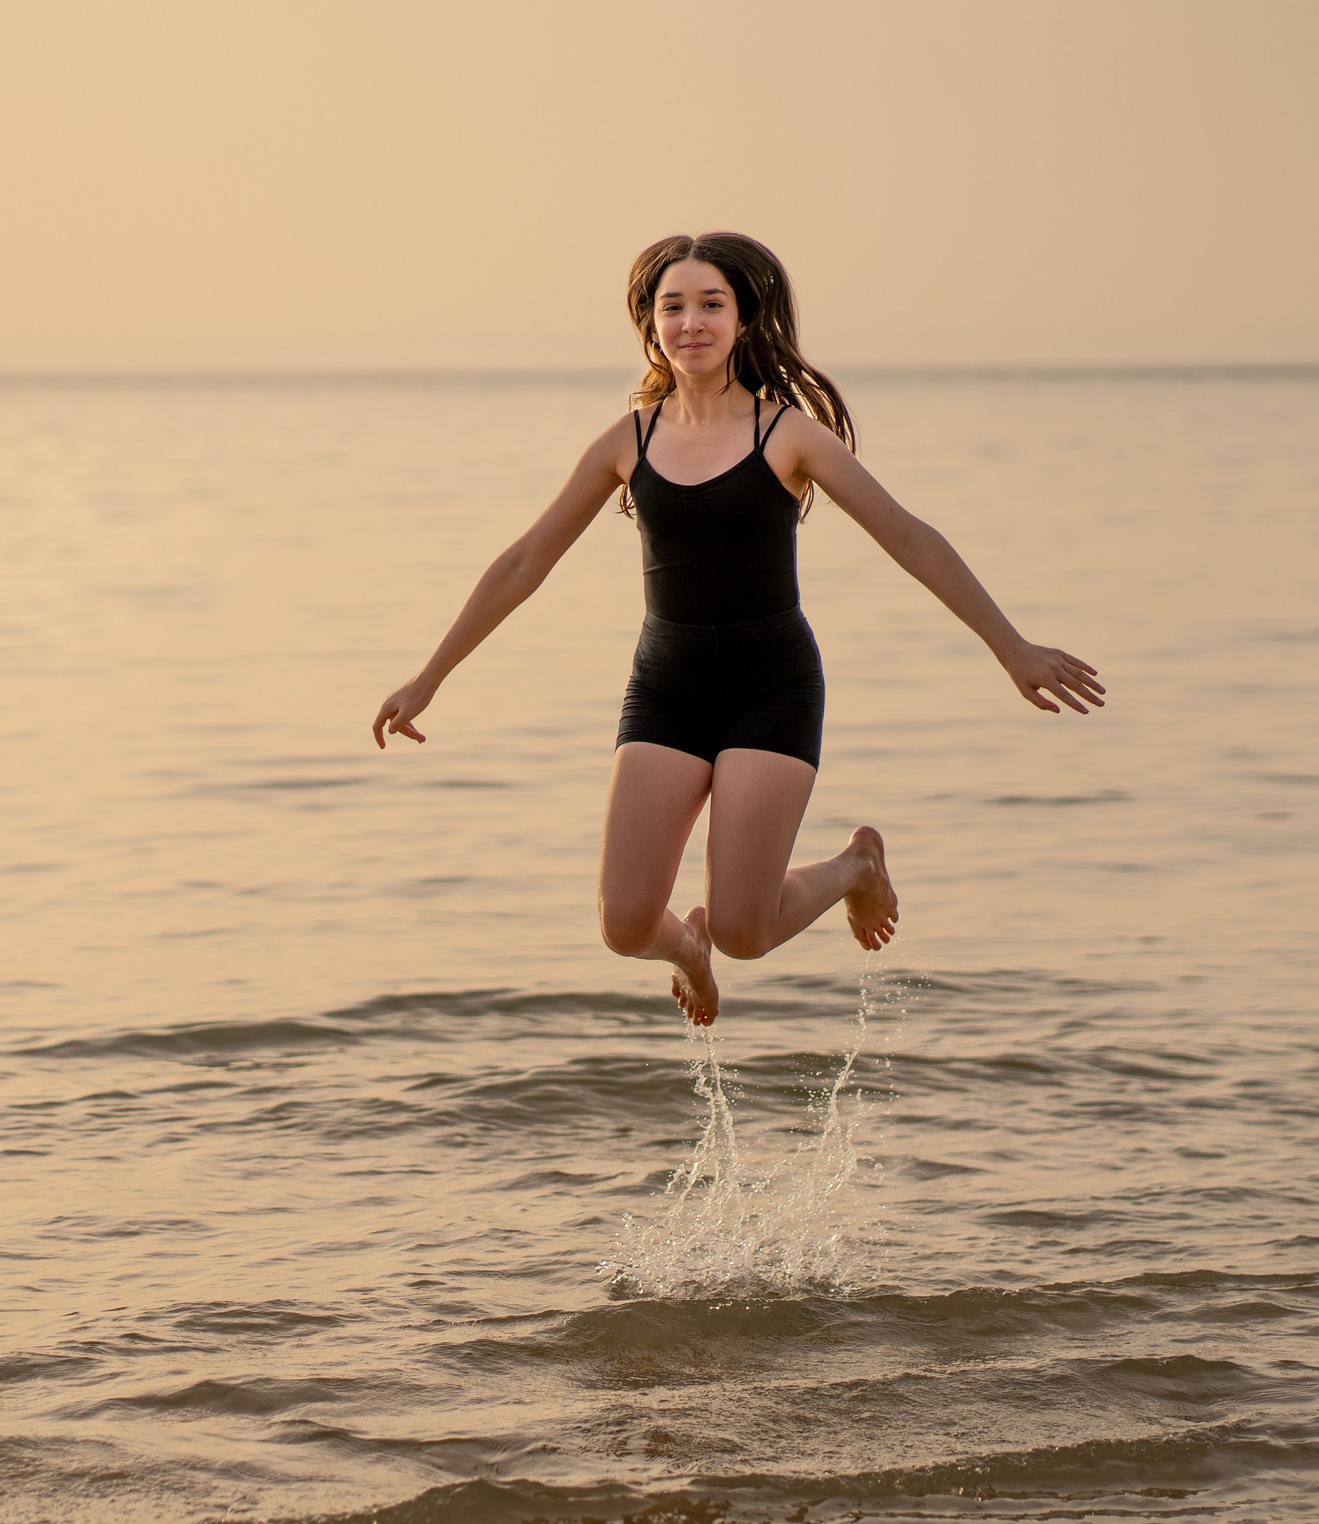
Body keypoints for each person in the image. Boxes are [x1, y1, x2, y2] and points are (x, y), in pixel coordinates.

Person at [371, 233, 1104, 1025]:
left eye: (711, 304)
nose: (691, 322)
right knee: (624, 924)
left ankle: (856, 866)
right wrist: (429, 676)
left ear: (743, 320)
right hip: (667, 689)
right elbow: (524, 561)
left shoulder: (786, 434)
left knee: (746, 930)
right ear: (651, 325)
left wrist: (1010, 646)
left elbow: (906, 535)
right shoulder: (628, 441)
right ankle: (688, 948)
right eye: (673, 307)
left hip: (771, 687)